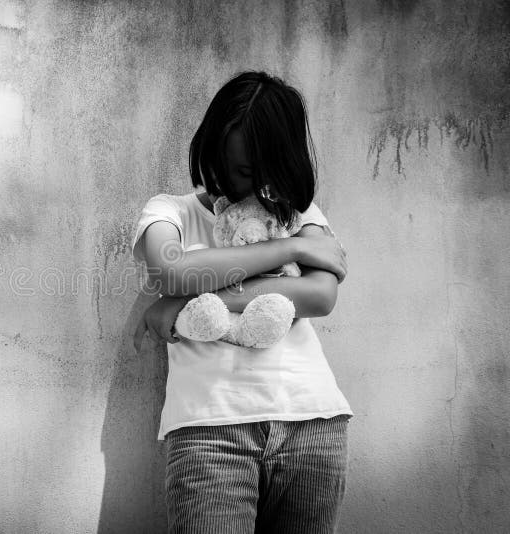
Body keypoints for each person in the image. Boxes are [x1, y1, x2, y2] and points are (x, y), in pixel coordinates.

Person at [130, 71, 353, 533]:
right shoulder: (169, 211)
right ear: (212, 148)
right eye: (240, 169)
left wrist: (184, 302)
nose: (248, 183)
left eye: (262, 170)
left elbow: (319, 295)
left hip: (311, 420)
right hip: (211, 432)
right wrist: (290, 249)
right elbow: (170, 272)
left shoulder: (299, 211)